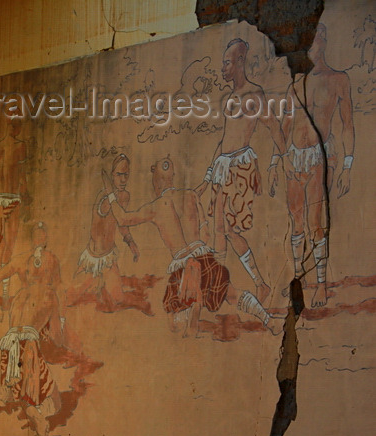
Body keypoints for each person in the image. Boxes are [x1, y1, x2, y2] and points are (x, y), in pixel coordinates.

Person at [103, 157, 283, 337]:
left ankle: (194, 304)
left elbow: (124, 218)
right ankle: (269, 320)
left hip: (182, 264)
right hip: (203, 257)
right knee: (232, 294)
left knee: (174, 322)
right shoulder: (191, 195)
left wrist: (110, 193)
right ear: (172, 176)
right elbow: (204, 229)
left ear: (156, 180)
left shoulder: (156, 207)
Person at [196, 38, 293, 304]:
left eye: (227, 63)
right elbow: (223, 141)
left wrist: (282, 161)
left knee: (226, 227)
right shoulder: (229, 99)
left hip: (239, 167)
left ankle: (255, 284)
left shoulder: (253, 95)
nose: (223, 69)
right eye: (222, 63)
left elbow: (273, 126)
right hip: (222, 167)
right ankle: (221, 287)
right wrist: (206, 179)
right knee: (219, 228)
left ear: (240, 62)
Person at [269, 22, 355, 308]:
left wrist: (347, 165)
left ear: (325, 42)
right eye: (308, 44)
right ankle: (297, 280)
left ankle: (320, 284)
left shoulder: (338, 79)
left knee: (316, 223)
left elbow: (347, 126)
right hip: (294, 156)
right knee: (295, 223)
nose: (311, 49)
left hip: (319, 157)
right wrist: (275, 161)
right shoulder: (297, 85)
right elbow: (285, 124)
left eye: (315, 42)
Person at [0, 222, 79, 436]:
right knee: (44, 392)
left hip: (14, 337)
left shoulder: (26, 272)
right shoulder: (47, 288)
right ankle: (33, 412)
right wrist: (59, 327)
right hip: (26, 341)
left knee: (16, 377)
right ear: (42, 240)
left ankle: (2, 394)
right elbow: (56, 336)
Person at [67, 153, 153, 315]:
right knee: (70, 299)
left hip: (108, 258)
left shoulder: (123, 196)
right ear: (112, 174)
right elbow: (111, 208)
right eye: (119, 174)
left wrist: (131, 243)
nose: (123, 179)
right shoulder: (105, 196)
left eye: (126, 175)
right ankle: (97, 282)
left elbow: (121, 222)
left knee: (118, 298)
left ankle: (109, 287)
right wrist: (110, 191)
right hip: (92, 259)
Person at [0, 117, 30, 302]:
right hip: (12, 200)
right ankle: (1, 291)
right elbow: (21, 176)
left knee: (2, 247)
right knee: (7, 247)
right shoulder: (20, 146)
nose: (18, 127)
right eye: (17, 124)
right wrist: (26, 196)